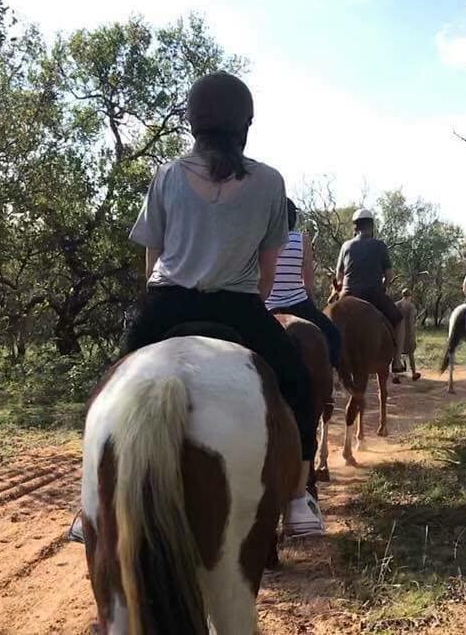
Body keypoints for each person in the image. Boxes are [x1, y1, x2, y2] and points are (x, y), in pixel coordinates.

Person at [74, 72, 324, 541]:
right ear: (245, 125)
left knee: (110, 385)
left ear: (194, 124)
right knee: (297, 385)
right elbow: (267, 268)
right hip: (240, 306)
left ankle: (90, 499)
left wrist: (157, 295)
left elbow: (153, 256)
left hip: (166, 303)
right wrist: (254, 301)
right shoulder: (270, 181)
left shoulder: (167, 174)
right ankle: (296, 499)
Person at [266, 198, 342, 369]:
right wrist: (312, 307)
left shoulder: (262, 240)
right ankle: (333, 374)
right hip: (298, 303)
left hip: (269, 306)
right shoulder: (302, 239)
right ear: (293, 218)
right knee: (334, 336)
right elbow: (307, 282)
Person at [335, 209, 405, 372]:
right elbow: (389, 274)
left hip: (347, 295)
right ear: (371, 226)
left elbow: (339, 276)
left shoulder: (346, 246)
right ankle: (397, 362)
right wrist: (383, 286)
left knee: (327, 321)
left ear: (355, 227)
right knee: (399, 320)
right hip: (373, 294)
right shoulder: (379, 245)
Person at [395, 288, 421, 382]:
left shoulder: (396, 305)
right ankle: (414, 373)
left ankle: (396, 376)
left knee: (397, 354)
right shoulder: (411, 306)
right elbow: (411, 322)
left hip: (397, 332)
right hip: (407, 333)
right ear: (410, 296)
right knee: (411, 354)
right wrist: (412, 335)